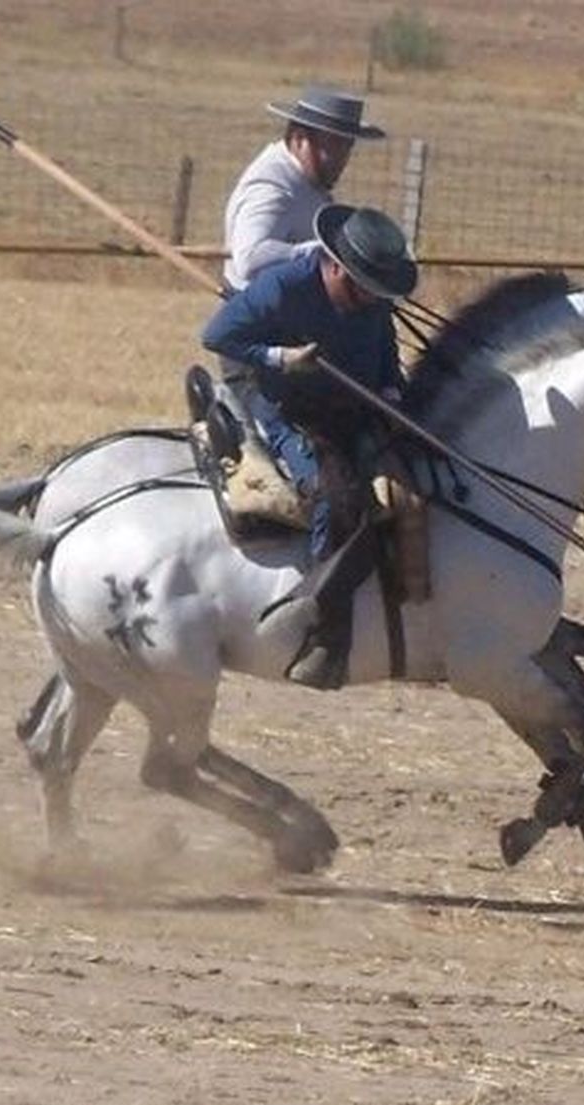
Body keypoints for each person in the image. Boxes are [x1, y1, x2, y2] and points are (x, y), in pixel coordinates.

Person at [201, 203, 418, 689]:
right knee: (334, 493)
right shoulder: (282, 287)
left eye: (377, 291)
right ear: (335, 264)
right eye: (361, 286)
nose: (368, 299)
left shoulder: (372, 302)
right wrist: (280, 357)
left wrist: (391, 398)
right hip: (284, 403)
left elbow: (383, 358)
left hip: (349, 405)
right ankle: (318, 614)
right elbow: (217, 335)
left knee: (413, 477)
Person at [222, 86, 385, 292]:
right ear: (300, 140)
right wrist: (326, 253)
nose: (342, 158)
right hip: (261, 316)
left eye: (347, 146)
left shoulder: (308, 177)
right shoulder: (272, 187)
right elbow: (250, 259)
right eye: (333, 145)